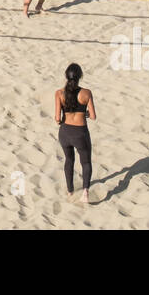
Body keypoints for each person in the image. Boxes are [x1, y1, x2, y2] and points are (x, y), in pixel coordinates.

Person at [55, 63, 97, 203]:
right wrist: (83, 113)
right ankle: (85, 193)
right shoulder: (86, 93)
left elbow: (57, 118)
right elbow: (93, 116)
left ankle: (70, 190)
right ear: (80, 77)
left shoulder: (59, 93)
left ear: (66, 76)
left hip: (65, 132)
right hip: (80, 133)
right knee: (85, 162)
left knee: (69, 160)